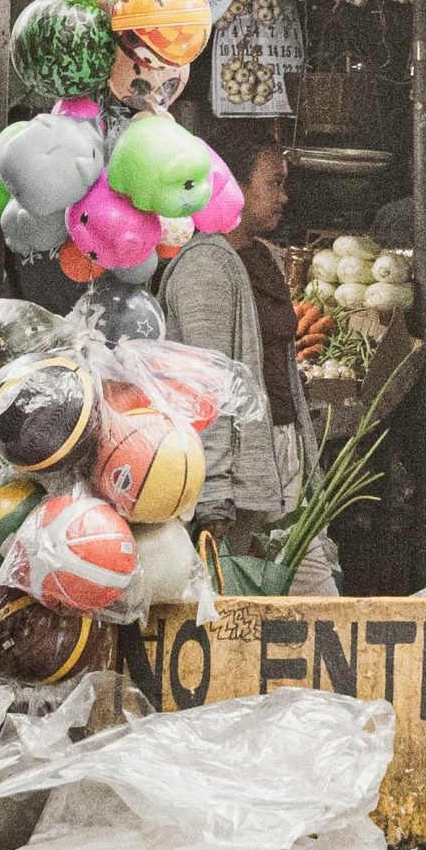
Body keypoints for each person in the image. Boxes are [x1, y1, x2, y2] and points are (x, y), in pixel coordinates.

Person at [159, 126, 341, 596]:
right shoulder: (204, 268)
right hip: (239, 477)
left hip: (279, 458)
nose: (285, 196)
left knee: (312, 600)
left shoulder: (262, 259)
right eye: (274, 183)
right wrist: (215, 496)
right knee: (270, 605)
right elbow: (208, 387)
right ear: (232, 186)